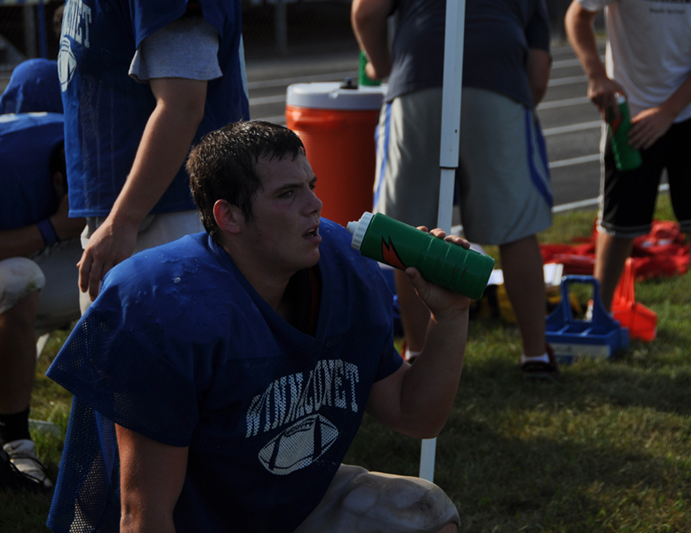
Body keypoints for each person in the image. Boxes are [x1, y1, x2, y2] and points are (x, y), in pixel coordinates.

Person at [46, 121, 469, 532]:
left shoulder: (342, 269)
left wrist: (448, 317)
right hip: (192, 517)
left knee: (425, 512)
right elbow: (144, 514)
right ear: (229, 216)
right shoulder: (161, 306)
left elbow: (417, 416)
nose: (314, 205)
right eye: (287, 194)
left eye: (311, 186)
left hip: (284, 501)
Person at [352, 0, 558, 378]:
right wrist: (508, 100)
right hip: (500, 82)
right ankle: (535, 356)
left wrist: (381, 65)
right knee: (516, 232)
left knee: (405, 231)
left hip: (417, 79)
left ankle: (416, 351)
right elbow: (538, 75)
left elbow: (366, 12)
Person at [564, 0, 691, 373]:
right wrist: (595, 74)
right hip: (629, 111)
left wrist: (669, 111)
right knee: (618, 224)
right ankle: (596, 316)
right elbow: (578, 15)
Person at [57, 0, 250, 310]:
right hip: (137, 211)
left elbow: (183, 106)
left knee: (162, 351)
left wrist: (123, 220)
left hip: (166, 213)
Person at [0, 113, 85, 493]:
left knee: (23, 278)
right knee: (7, 284)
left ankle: (15, 443)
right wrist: (51, 228)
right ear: (56, 183)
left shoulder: (81, 134)